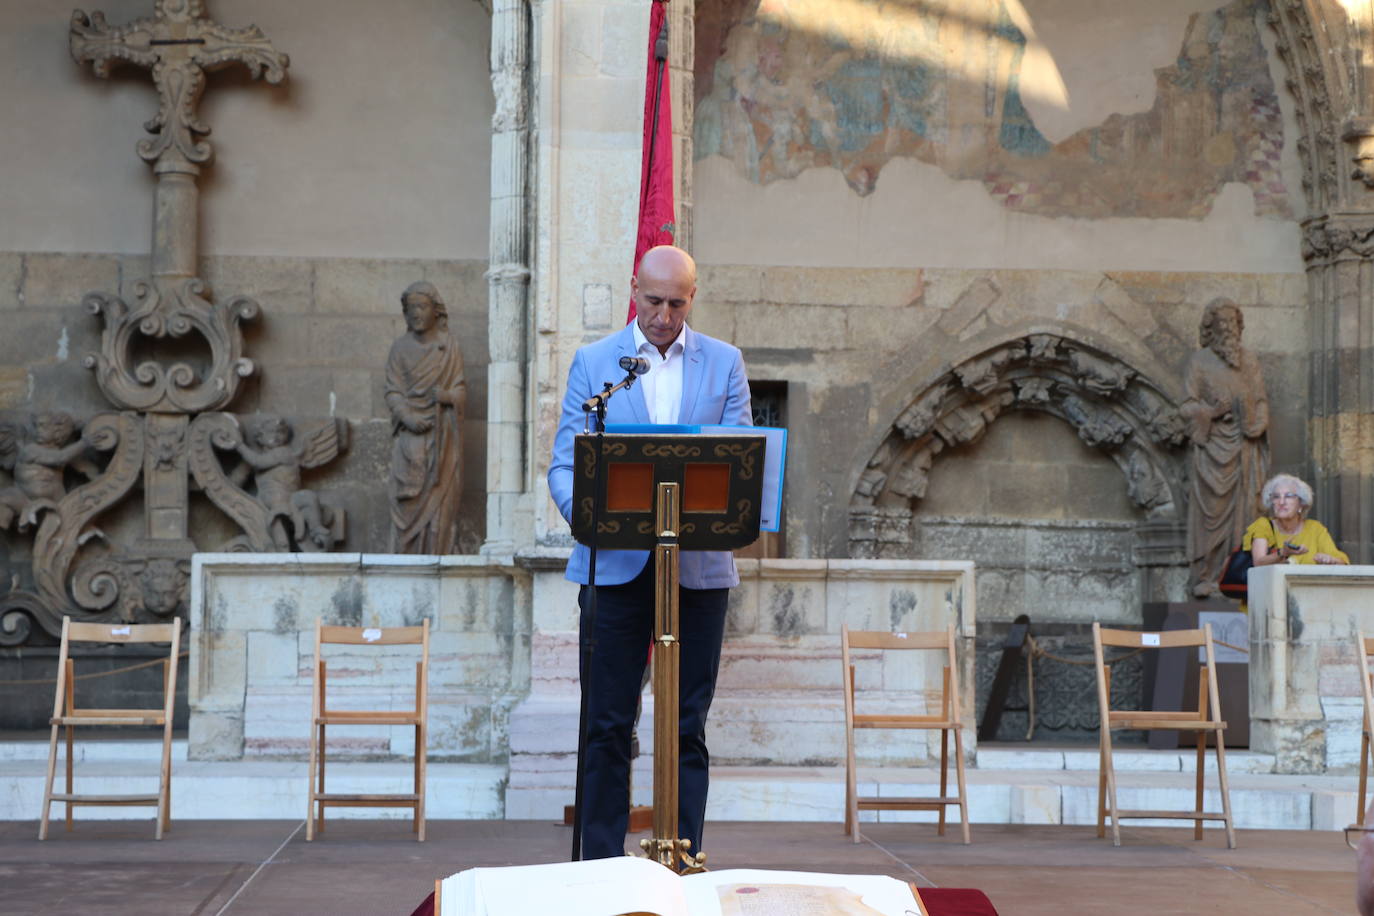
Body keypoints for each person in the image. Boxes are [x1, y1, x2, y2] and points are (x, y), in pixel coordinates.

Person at [547, 245, 752, 861]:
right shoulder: (595, 363)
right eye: (653, 301)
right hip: (615, 565)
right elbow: (564, 465)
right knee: (606, 724)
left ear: (694, 298)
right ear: (634, 290)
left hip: (696, 571)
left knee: (687, 724)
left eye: (677, 303)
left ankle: (682, 856)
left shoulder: (725, 363)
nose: (664, 316)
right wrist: (589, 517)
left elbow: (740, 463)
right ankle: (601, 865)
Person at [1182, 298, 1271, 596]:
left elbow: (1259, 399)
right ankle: (1206, 575)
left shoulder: (1249, 361)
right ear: (1211, 327)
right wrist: (1213, 413)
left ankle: (1237, 576)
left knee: (1246, 512)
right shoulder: (1199, 361)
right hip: (1212, 451)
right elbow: (1187, 407)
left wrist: (1257, 423)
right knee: (1212, 514)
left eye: (1232, 322)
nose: (1228, 328)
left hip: (1245, 447)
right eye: (1221, 322)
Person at [385, 281, 467, 555]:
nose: (416, 313)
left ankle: (438, 551)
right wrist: (407, 416)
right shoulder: (399, 348)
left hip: (441, 438)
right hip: (410, 439)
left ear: (435, 310)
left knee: (440, 505)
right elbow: (393, 390)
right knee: (405, 501)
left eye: (422, 306)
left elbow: (460, 390)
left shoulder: (449, 348)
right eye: (410, 309)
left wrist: (446, 396)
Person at [1243, 473, 1347, 570]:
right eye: (1276, 497)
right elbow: (1258, 563)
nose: (1281, 502)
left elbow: (1342, 563)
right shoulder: (1263, 525)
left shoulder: (1315, 528)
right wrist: (1283, 552)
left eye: (1288, 496)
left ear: (1301, 503)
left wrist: (1330, 560)